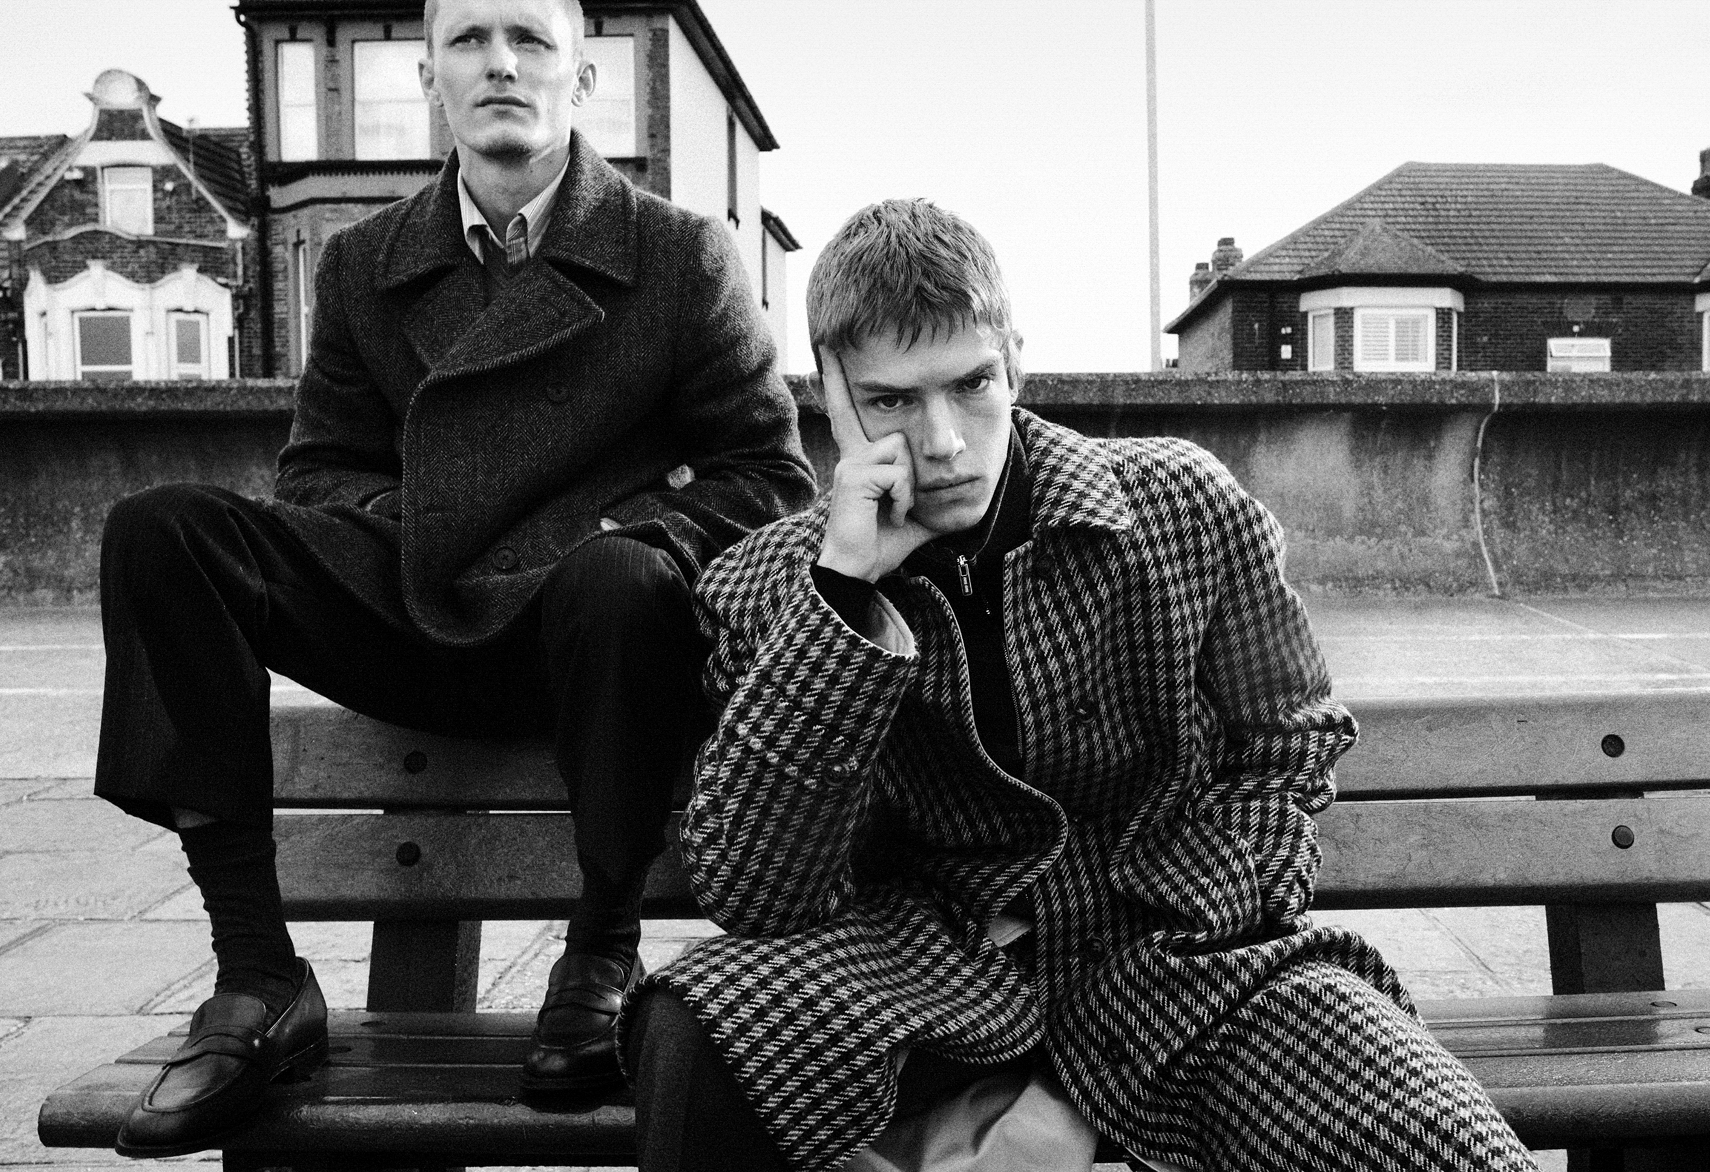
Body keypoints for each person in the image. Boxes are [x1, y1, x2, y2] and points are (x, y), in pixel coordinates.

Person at [620, 198, 1535, 1172]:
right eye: (889, 400)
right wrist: (843, 598)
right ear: (833, 396)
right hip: (921, 972)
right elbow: (756, 892)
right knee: (694, 1030)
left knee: (1429, 1136)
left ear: (1012, 357)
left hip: (1187, 964)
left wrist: (1182, 915)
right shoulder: (768, 586)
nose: (942, 440)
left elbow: (1289, 743)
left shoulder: (1183, 507)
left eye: (970, 383)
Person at [97, 0, 814, 1155]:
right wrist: (418, 523)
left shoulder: (678, 256)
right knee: (162, 531)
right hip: (412, 611)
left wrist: (603, 534)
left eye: (530, 40)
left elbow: (766, 478)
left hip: (591, 645)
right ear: (429, 73)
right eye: (471, 40)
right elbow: (320, 471)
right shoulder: (366, 261)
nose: (500, 64)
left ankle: (600, 948)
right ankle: (258, 973)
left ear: (582, 80)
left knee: (626, 577)